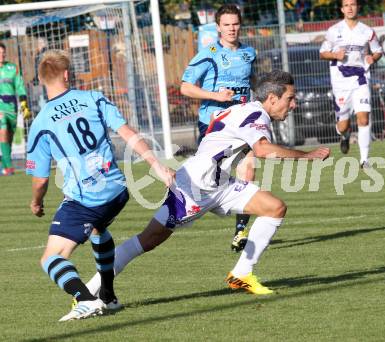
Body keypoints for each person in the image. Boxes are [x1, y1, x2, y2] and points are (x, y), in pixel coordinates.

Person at [85, 70, 330, 297]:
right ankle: (89, 290)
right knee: (147, 240)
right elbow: (263, 149)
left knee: (275, 207)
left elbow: (218, 129)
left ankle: (241, 274)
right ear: (273, 99)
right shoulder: (256, 115)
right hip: (195, 188)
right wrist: (307, 156)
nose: (294, 104)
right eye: (290, 98)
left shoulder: (244, 110)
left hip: (220, 185)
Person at [26, 50, 174, 321]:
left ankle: (85, 299)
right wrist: (157, 166)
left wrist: (36, 202)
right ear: (67, 74)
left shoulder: (41, 123)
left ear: (41, 80)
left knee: (51, 258)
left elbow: (41, 179)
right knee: (98, 230)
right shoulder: (93, 98)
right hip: (117, 191)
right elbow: (128, 133)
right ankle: (108, 295)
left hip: (86, 199)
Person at [181, 4, 256, 252]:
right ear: (218, 27)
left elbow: (251, 84)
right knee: (213, 178)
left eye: (235, 23)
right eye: (227, 24)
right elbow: (185, 87)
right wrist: (216, 95)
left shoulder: (249, 52)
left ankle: (240, 230)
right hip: (213, 122)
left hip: (242, 122)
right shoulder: (209, 53)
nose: (232, 28)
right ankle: (184, 195)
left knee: (249, 165)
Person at [319, 0, 382, 168]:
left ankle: (364, 160)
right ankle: (345, 136)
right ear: (342, 9)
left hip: (361, 79)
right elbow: (322, 53)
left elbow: (378, 51)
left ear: (357, 7)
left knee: (363, 118)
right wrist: (335, 55)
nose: (350, 8)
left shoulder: (367, 31)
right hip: (340, 83)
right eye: (346, 5)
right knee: (343, 125)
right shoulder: (334, 31)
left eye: (352, 4)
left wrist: (372, 58)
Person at [0, 42, 32, 175]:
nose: (1, 55)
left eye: (3, 53)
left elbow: (20, 87)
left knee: (9, 138)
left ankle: (4, 164)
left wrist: (24, 105)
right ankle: (9, 168)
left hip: (12, 107)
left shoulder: (13, 68)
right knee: (3, 129)